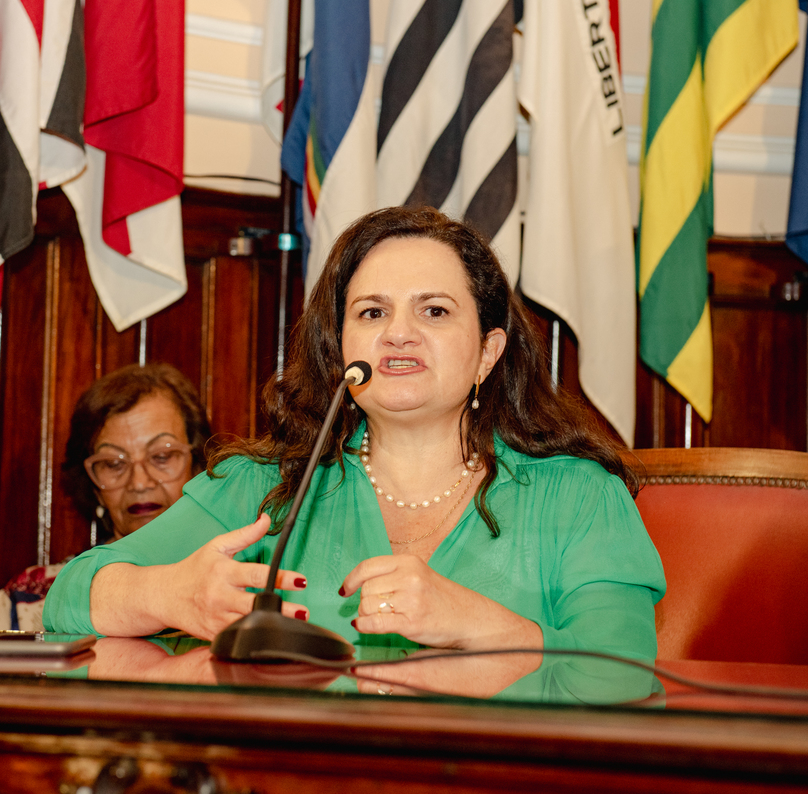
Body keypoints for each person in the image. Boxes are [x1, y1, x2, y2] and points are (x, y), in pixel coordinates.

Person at [44, 206, 665, 679]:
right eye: (371, 312)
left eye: (434, 311)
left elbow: (625, 680)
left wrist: (479, 625)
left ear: (488, 352)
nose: (398, 334)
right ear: (339, 346)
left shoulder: (579, 496)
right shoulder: (264, 485)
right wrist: (170, 593)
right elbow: (68, 600)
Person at [0, 363, 210, 631]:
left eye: (162, 457)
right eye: (113, 464)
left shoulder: (235, 586)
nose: (139, 483)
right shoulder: (28, 602)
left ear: (197, 467)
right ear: (93, 487)